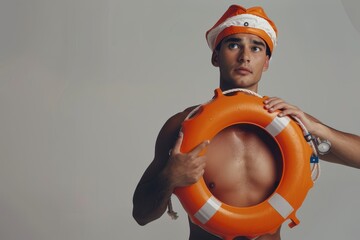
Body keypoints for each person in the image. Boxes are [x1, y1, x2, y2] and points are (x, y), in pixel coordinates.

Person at [132, 5, 360, 240]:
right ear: (215, 56)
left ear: (267, 62)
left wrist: (318, 129)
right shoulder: (182, 126)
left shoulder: (292, 126)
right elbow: (141, 214)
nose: (245, 56)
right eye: (234, 45)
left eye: (256, 47)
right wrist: (169, 177)